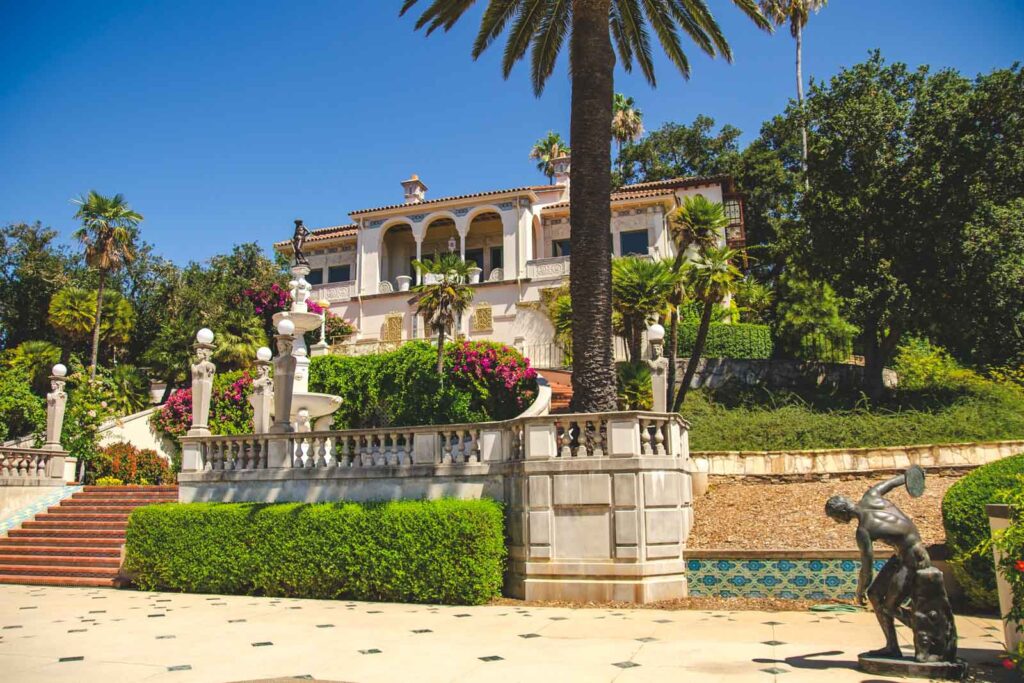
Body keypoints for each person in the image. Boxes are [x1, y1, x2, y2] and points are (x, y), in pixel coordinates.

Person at [825, 473, 931, 657]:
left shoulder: (864, 530)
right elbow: (899, 480)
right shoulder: (871, 496)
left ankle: (924, 630)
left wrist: (859, 590)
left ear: (842, 513)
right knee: (874, 594)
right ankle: (892, 647)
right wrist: (915, 474)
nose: (836, 522)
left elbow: (867, 567)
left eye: (835, 518)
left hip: (912, 558)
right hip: (902, 556)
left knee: (889, 606)